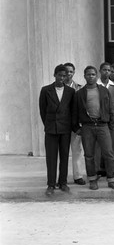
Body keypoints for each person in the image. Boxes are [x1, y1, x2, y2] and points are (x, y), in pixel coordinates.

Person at [75, 66, 114, 191]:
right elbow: (75, 112)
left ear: (96, 76)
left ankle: (111, 179)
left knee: (109, 154)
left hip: (102, 125)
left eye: (93, 74)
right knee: (89, 155)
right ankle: (92, 179)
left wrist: (111, 124)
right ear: (84, 76)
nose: (91, 76)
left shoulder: (104, 91)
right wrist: (76, 128)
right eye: (88, 74)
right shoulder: (79, 93)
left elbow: (111, 109)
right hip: (87, 127)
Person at [39, 65, 77, 195]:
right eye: (59, 75)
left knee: (65, 156)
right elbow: (42, 111)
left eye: (64, 76)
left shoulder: (70, 92)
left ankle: (63, 183)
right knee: (51, 157)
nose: (62, 78)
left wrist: (71, 126)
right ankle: (51, 184)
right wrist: (49, 125)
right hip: (51, 129)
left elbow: (72, 111)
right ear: (54, 75)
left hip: (65, 129)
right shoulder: (46, 90)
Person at [96, 62, 114, 178]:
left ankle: (113, 170)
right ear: (100, 71)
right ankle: (100, 169)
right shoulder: (95, 85)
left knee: (113, 146)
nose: (107, 72)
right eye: (105, 70)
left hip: (112, 120)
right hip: (98, 119)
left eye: (109, 70)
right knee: (99, 146)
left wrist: (113, 115)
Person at [63, 62, 86, 185]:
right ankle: (62, 177)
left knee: (77, 150)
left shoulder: (79, 88)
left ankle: (78, 176)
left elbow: (82, 107)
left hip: (76, 125)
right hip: (62, 125)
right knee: (62, 152)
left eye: (71, 71)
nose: (68, 74)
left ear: (74, 72)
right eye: (66, 71)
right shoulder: (58, 87)